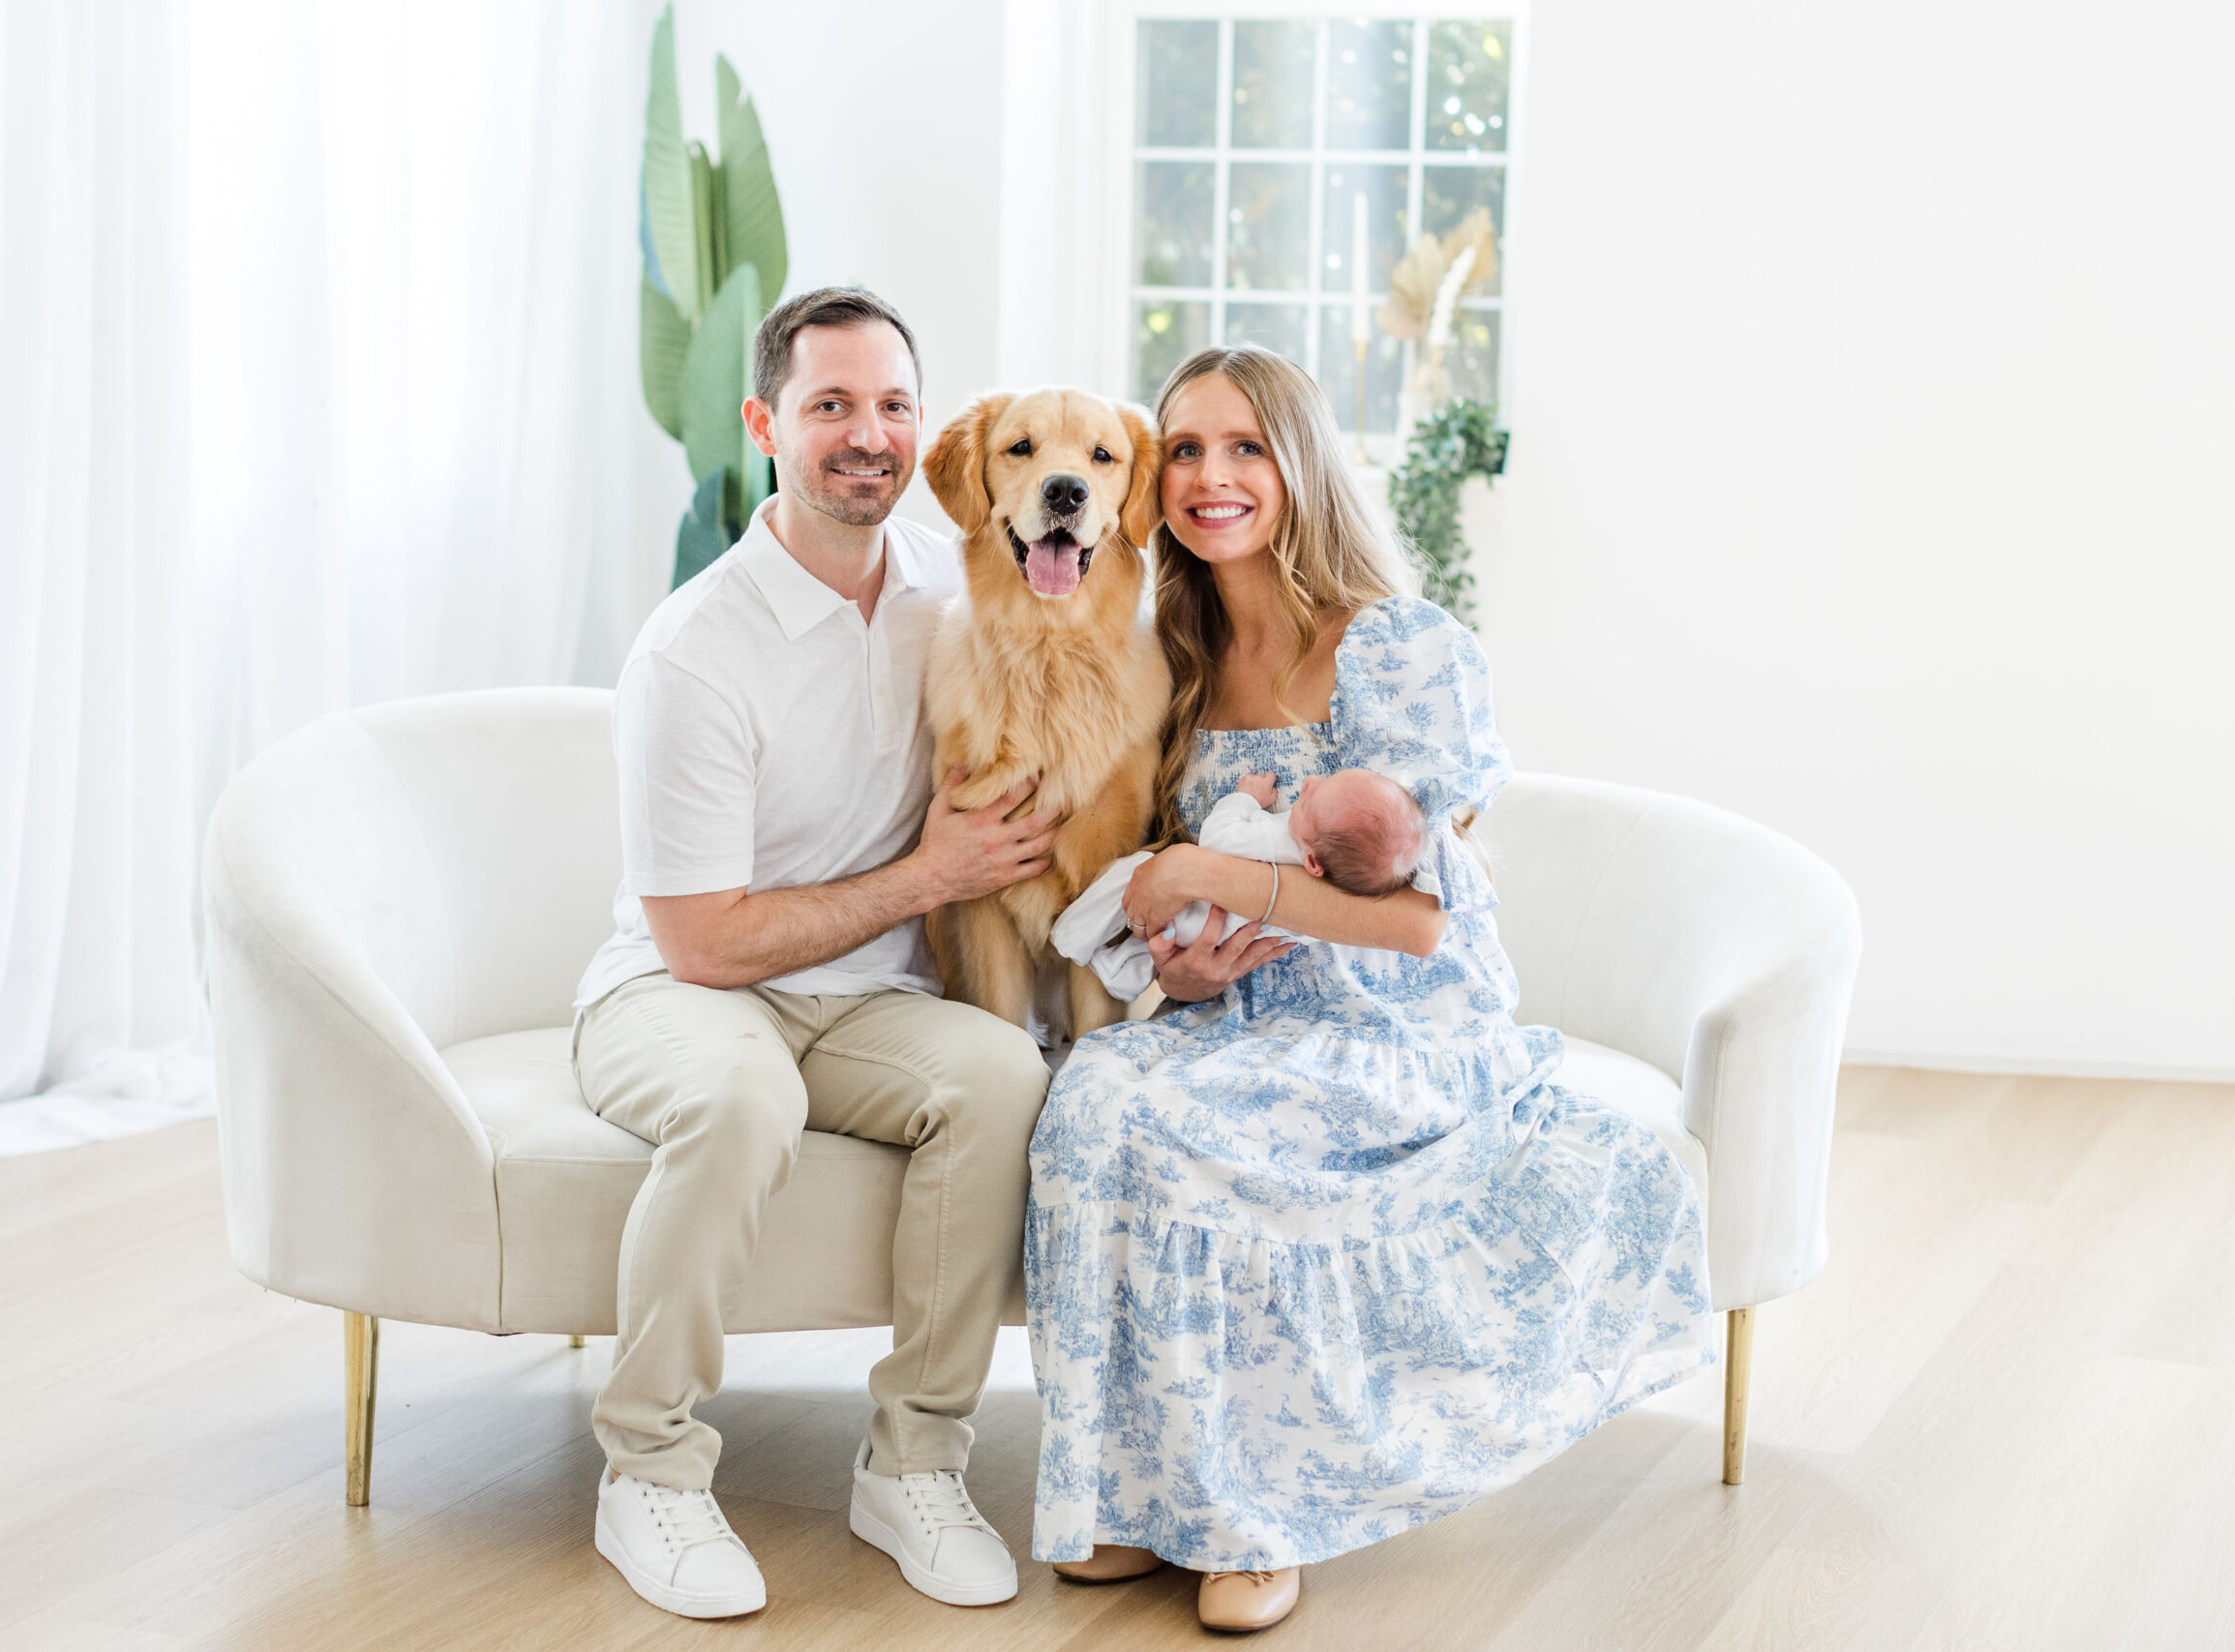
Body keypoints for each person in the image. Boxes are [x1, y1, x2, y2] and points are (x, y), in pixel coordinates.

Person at [1022, 346, 1713, 1634]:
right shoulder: (1173, 652)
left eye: (1246, 447)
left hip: (1404, 1028)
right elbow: (1188, 901)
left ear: (1302, 465)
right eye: (1183, 449)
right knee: (1095, 1097)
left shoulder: (1400, 644)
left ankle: (1253, 1511)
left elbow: (1410, 919)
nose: (1210, 476)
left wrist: (1207, 866)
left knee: (1195, 1137)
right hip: (1241, 1010)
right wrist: (1177, 953)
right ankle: (1127, 1490)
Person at [573, 287, 1057, 1620]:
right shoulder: (695, 648)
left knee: (1003, 1069)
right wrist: (928, 875)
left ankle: (913, 1462)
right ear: (763, 421)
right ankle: (651, 1470)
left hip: (862, 998)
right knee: (743, 1091)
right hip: (679, 990)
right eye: (830, 403)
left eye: (894, 404)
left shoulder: (948, 596)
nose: (868, 434)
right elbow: (705, 935)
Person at [1051, 766, 1424, 999]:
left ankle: (1071, 936)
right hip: (1221, 942)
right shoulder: (1335, 885)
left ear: (1312, 861)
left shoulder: (1277, 840)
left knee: (1132, 870)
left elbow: (1217, 837)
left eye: (1309, 801)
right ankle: (1122, 974)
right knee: (1156, 946)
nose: (1309, 783)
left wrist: (1244, 799)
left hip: (1196, 912)